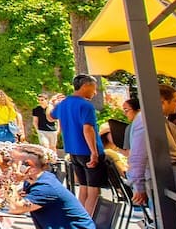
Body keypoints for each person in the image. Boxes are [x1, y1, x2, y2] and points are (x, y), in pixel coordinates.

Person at [53, 75, 107, 217]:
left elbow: (50, 116)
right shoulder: (86, 105)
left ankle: (78, 220)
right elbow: (88, 129)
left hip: (73, 151)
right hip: (87, 150)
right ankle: (87, 222)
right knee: (94, 191)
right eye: (93, 89)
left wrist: (52, 102)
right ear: (85, 86)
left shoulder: (64, 104)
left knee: (83, 188)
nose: (95, 93)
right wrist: (94, 152)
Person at [6, 144, 97, 229]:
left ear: (29, 166)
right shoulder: (36, 180)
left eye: (13, 161)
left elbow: (15, 208)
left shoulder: (45, 187)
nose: (9, 164)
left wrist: (12, 184)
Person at [124, 86, 176, 208]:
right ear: (162, 101)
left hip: (160, 178)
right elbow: (138, 155)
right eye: (175, 100)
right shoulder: (147, 119)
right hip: (157, 180)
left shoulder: (153, 118)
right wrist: (139, 186)